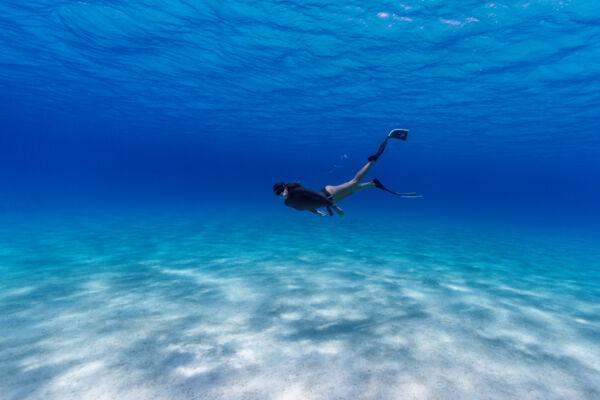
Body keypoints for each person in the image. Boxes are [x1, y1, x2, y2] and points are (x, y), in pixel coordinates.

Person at [273, 129, 420, 216]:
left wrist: (334, 208)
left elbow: (313, 195)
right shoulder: (288, 203)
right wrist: (317, 213)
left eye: (282, 189)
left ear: (286, 187)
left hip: (327, 194)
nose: (282, 193)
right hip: (328, 202)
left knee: (353, 183)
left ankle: (372, 160)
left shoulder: (297, 190)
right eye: (278, 192)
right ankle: (372, 184)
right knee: (353, 190)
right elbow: (305, 206)